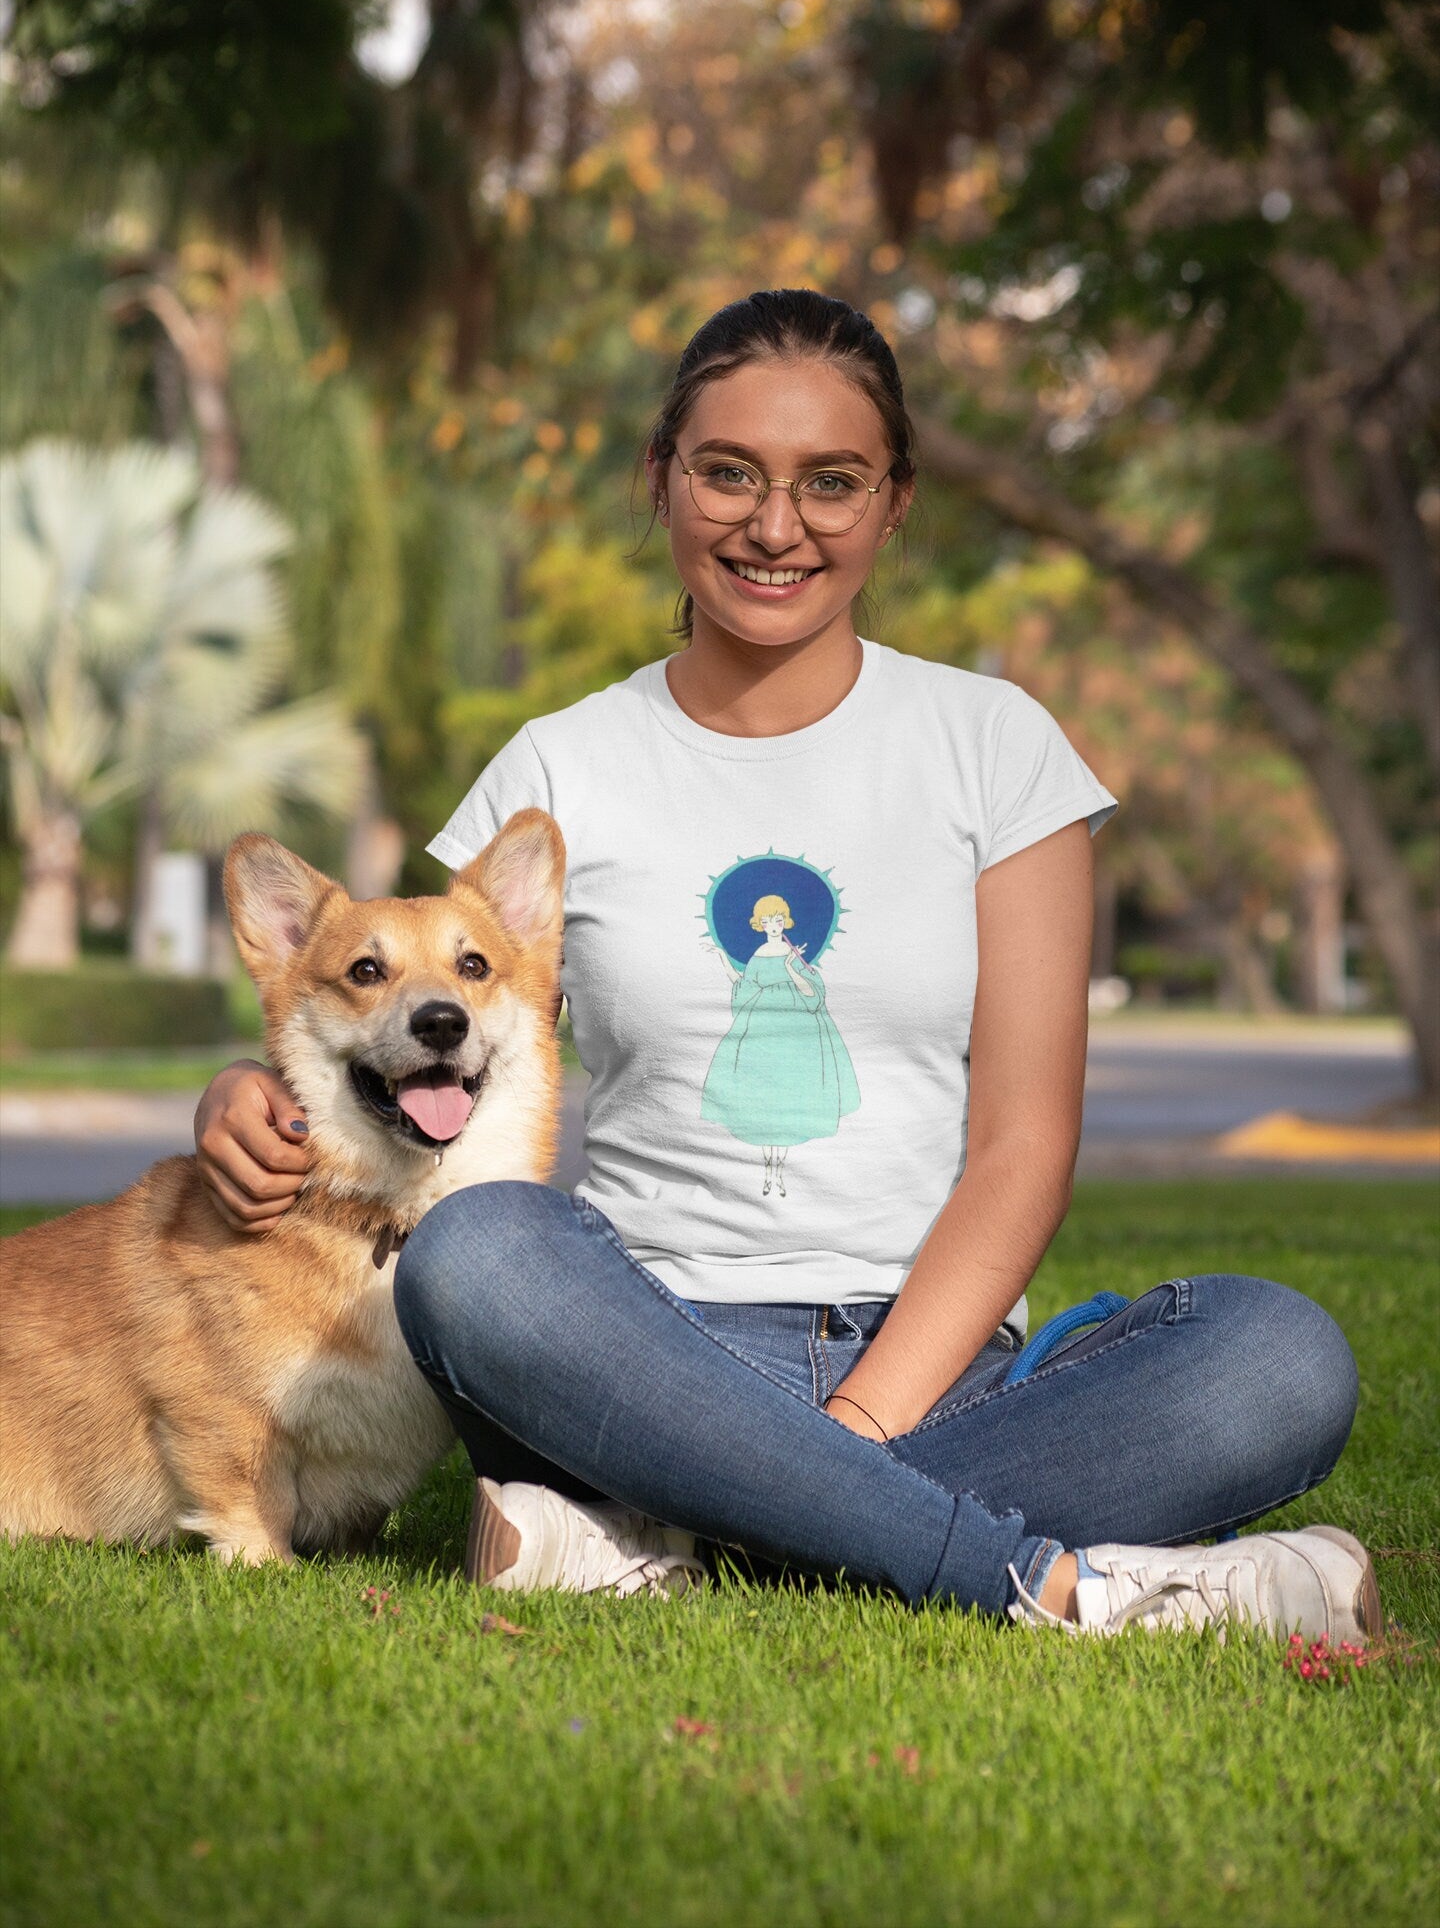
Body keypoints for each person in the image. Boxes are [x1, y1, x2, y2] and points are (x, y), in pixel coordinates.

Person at [194, 288, 1378, 1640]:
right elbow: (407, 1009)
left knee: (1282, 1359)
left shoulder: (998, 748)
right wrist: (237, 1093)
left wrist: (858, 1427)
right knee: (472, 1257)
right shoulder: (561, 763)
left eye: (831, 482)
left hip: (941, 1365)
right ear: (661, 479)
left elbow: (1023, 1149)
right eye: (728, 473)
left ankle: (681, 1535)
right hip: (629, 1355)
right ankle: (1065, 1586)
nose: (775, 526)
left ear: (895, 501)